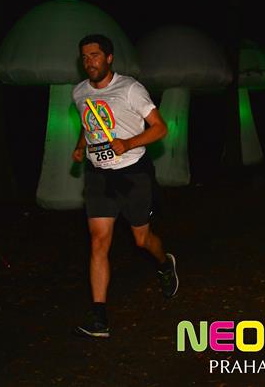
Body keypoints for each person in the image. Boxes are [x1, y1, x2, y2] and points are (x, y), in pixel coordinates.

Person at [71, 34, 178, 339]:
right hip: (98, 176)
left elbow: (160, 128)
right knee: (98, 241)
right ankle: (99, 317)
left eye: (95, 55)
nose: (89, 62)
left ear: (109, 58)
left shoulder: (130, 88)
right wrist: (81, 146)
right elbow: (88, 122)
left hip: (133, 174)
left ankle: (164, 263)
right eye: (85, 57)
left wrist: (128, 143)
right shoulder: (79, 92)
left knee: (142, 240)